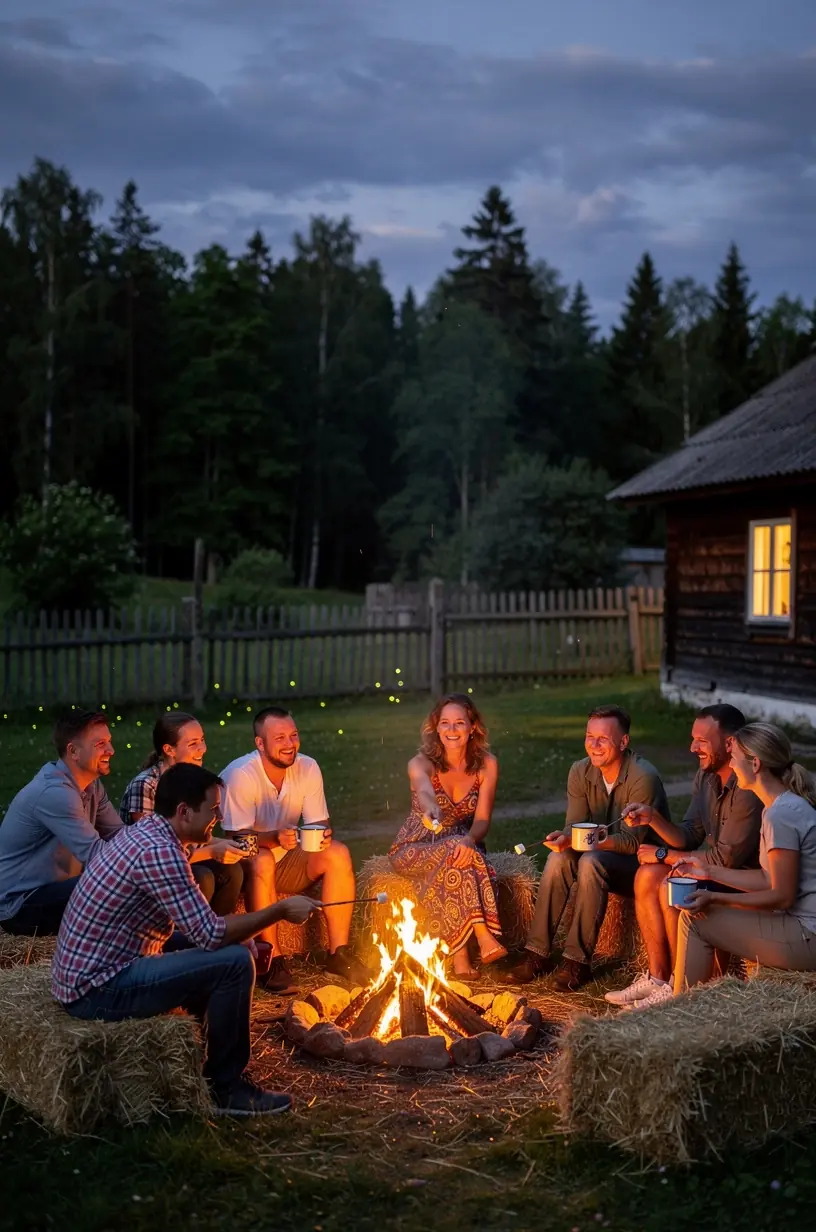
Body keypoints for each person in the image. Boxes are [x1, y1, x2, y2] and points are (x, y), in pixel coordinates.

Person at [52, 763, 321, 1116]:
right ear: (183, 811)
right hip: (97, 988)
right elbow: (210, 934)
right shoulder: (160, 852)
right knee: (235, 964)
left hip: (103, 965)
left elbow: (200, 928)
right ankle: (226, 1089)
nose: (219, 816)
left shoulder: (152, 832)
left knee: (229, 949)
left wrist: (235, 936)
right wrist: (279, 911)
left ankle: (206, 1053)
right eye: (212, 809)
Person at [502, 705, 670, 991]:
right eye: (589, 736)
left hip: (642, 866)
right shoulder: (580, 771)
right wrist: (565, 838)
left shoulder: (643, 777)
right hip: (600, 853)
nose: (593, 745)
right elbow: (575, 826)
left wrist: (589, 842)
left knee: (590, 861)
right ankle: (537, 953)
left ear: (623, 742)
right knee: (558, 860)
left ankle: (577, 962)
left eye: (603, 739)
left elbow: (631, 843)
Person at [607, 703, 762, 1010]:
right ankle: (660, 978)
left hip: (747, 879)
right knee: (646, 875)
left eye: (701, 741)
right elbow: (690, 832)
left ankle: (684, 985)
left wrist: (664, 854)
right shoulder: (706, 778)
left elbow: (724, 860)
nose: (693, 748)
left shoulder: (747, 789)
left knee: (672, 884)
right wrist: (651, 818)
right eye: (693, 739)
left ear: (730, 743)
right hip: (717, 871)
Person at [220, 706, 368, 993]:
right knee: (262, 860)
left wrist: (321, 834)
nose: (290, 744)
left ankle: (338, 953)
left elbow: (318, 821)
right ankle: (271, 958)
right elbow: (236, 836)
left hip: (288, 858)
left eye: (294, 735)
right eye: (280, 738)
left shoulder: (308, 767)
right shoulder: (240, 775)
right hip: (244, 863)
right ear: (260, 744)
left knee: (337, 853)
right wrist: (273, 837)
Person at [672, 722, 816, 991]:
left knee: (695, 920)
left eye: (735, 758)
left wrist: (715, 897)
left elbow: (782, 895)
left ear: (756, 764)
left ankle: (682, 1015)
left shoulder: (780, 815)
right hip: (803, 926)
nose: (732, 765)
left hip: (807, 933)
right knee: (700, 915)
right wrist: (707, 871)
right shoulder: (780, 806)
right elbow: (767, 877)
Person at [389, 693, 505, 979]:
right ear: (436, 727)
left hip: (462, 843)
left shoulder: (487, 764)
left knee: (459, 856)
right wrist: (431, 809)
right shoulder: (420, 762)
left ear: (473, 727)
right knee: (459, 851)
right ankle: (483, 935)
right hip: (416, 845)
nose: (452, 731)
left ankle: (460, 959)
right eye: (445, 723)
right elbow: (424, 789)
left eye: (459, 723)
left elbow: (482, 820)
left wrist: (469, 840)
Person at [0, 710, 123, 936]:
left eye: (110, 742)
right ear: (73, 751)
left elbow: (119, 835)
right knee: (112, 885)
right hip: (20, 905)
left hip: (55, 889)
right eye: (100, 744)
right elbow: (100, 856)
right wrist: (153, 860)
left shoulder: (92, 785)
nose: (111, 750)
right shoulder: (55, 793)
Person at [120, 713, 245, 916]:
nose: (202, 749)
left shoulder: (190, 780)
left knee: (232, 870)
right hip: (150, 870)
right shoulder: (146, 785)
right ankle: (186, 939)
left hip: (181, 856)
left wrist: (227, 846)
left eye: (202, 740)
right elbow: (154, 852)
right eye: (193, 743)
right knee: (202, 876)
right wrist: (212, 852)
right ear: (169, 749)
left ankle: (225, 935)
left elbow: (192, 836)